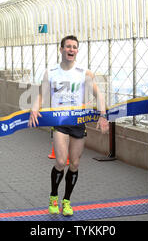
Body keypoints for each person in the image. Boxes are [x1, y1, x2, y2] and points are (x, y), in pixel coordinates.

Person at [28, 35, 109, 216]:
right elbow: (41, 94)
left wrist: (103, 115)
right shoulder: (51, 72)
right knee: (60, 161)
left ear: (77, 51)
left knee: (74, 163)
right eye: (68, 46)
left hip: (78, 123)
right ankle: (53, 197)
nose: (71, 49)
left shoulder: (84, 73)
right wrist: (34, 108)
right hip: (59, 122)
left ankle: (67, 201)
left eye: (75, 47)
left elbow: (100, 95)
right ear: (61, 49)